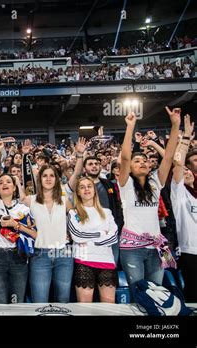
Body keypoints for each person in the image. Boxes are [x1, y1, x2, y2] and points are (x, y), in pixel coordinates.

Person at [118, 108, 180, 291]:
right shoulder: (125, 183)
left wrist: (175, 125)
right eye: (137, 161)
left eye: (145, 160)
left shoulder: (155, 182)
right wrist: (130, 127)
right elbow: (125, 156)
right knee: (139, 293)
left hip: (156, 247)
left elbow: (168, 156)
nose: (143, 162)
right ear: (130, 168)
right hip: (132, 249)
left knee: (157, 292)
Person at [0, 142, 37, 303]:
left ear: (14, 187)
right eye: (1, 183)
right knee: (0, 302)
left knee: (16, 302)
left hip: (17, 256)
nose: (5, 184)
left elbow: (35, 234)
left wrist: (17, 226)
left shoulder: (24, 208)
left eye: (8, 182)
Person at [19, 164, 74, 303]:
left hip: (64, 254)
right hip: (40, 255)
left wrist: (70, 234)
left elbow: (76, 222)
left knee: (63, 300)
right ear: (39, 179)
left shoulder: (65, 200)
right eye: (44, 175)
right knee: (40, 300)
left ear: (56, 179)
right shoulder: (29, 200)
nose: (48, 179)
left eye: (52, 175)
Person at [68, 177, 118, 303]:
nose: (86, 189)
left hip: (107, 262)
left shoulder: (107, 212)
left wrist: (92, 240)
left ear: (94, 190)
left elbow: (113, 237)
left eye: (89, 186)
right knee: (84, 309)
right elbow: (77, 236)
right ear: (78, 192)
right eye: (82, 187)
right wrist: (101, 233)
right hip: (84, 262)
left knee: (109, 309)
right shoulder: (74, 213)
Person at [170, 114, 196, 302]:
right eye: (183, 171)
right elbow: (178, 163)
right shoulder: (179, 194)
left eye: (189, 170)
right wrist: (185, 136)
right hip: (191, 251)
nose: (186, 172)